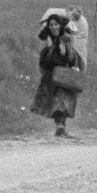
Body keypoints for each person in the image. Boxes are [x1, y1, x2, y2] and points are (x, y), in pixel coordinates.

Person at [32, 9, 83, 137]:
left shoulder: (68, 39)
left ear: (60, 25)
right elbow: (42, 61)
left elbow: (74, 57)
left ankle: (61, 125)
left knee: (64, 101)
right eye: (51, 25)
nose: (54, 27)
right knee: (56, 101)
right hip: (52, 75)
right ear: (48, 27)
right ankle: (60, 125)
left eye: (56, 24)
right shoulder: (45, 40)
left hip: (65, 74)